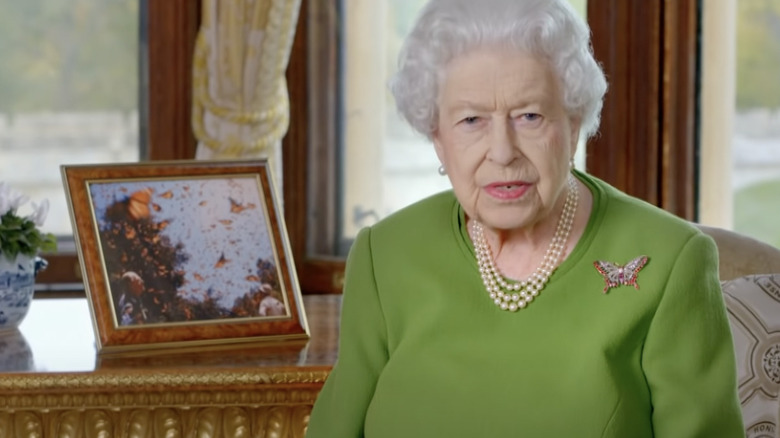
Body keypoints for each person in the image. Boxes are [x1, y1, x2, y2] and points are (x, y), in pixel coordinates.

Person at [305, 0, 745, 436]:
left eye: (529, 116)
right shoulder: (386, 256)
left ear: (573, 125)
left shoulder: (671, 262)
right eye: (472, 120)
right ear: (438, 137)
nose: (502, 151)